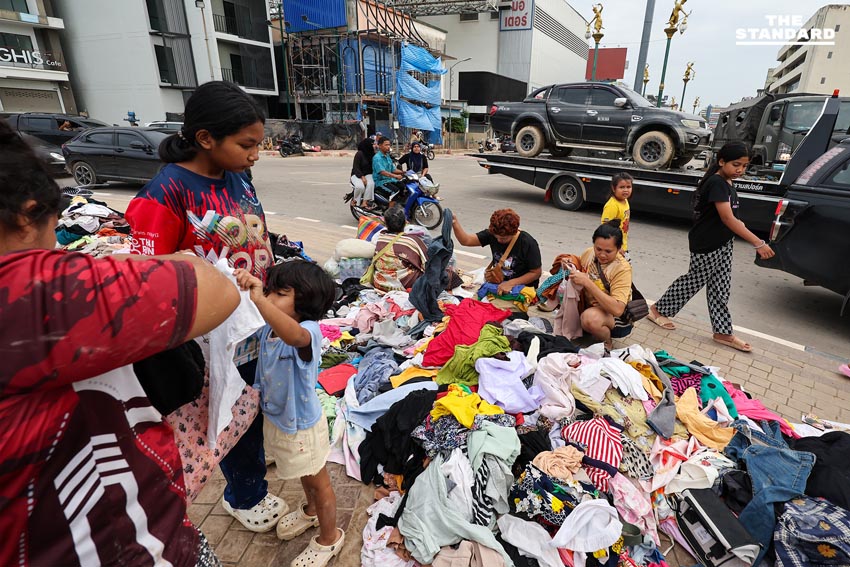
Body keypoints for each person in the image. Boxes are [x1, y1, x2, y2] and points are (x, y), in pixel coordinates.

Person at [0, 119, 240, 565]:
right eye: (247, 144)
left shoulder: (232, 182)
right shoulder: (33, 292)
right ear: (25, 216)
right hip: (124, 544)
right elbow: (215, 290)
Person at [125, 80, 286, 532]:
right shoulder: (165, 193)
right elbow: (148, 275)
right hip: (211, 335)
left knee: (253, 402)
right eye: (246, 145)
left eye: (258, 144)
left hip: (253, 318)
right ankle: (245, 495)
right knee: (229, 410)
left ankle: (252, 463)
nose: (255, 154)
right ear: (205, 138)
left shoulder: (238, 177)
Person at [233, 261, 345, 567]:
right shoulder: (269, 329)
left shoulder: (308, 332)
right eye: (269, 291)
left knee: (319, 482)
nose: (269, 297)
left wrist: (259, 299)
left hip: (303, 428)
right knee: (304, 475)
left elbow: (295, 337)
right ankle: (311, 510)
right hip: (282, 423)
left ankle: (330, 538)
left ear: (306, 301)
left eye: (279, 293)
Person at [648, 142, 775, 353]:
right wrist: (758, 242)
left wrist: (741, 228)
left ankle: (722, 332)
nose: (740, 170)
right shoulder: (717, 183)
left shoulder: (727, 182)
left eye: (744, 166)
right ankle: (657, 310)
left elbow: (731, 217)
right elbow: (727, 218)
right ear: (721, 161)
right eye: (736, 165)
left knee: (720, 287)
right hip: (707, 243)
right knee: (693, 281)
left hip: (724, 242)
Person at [569, 224, 633, 348]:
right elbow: (579, 264)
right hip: (590, 306)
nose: (602, 255)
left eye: (608, 251)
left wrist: (587, 283)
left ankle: (606, 341)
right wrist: (569, 262)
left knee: (590, 319)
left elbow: (618, 310)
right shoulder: (589, 253)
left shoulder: (622, 269)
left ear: (618, 248)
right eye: (598, 249)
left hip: (615, 317)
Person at [451, 208, 542, 294]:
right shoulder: (492, 234)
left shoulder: (527, 242)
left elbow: (536, 273)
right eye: (496, 237)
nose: (499, 240)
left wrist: (511, 283)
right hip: (498, 284)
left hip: (522, 290)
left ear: (513, 233)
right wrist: (454, 223)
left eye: (503, 238)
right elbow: (466, 240)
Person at [370, 206, 428, 292]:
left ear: (386, 224)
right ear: (405, 222)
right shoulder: (411, 241)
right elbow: (427, 263)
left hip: (380, 283)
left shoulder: (380, 238)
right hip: (403, 285)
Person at [601, 172, 633, 258]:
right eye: (622, 187)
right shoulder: (612, 205)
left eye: (628, 187)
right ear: (613, 188)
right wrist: (616, 247)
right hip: (614, 249)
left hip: (623, 246)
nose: (626, 190)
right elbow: (605, 229)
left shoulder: (625, 200)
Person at [351, 137, 376, 208]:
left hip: (368, 174)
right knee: (360, 187)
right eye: (372, 144)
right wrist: (362, 177)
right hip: (357, 174)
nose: (374, 146)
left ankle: (365, 202)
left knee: (371, 184)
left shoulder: (373, 154)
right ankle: (355, 201)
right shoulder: (359, 154)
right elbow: (356, 168)